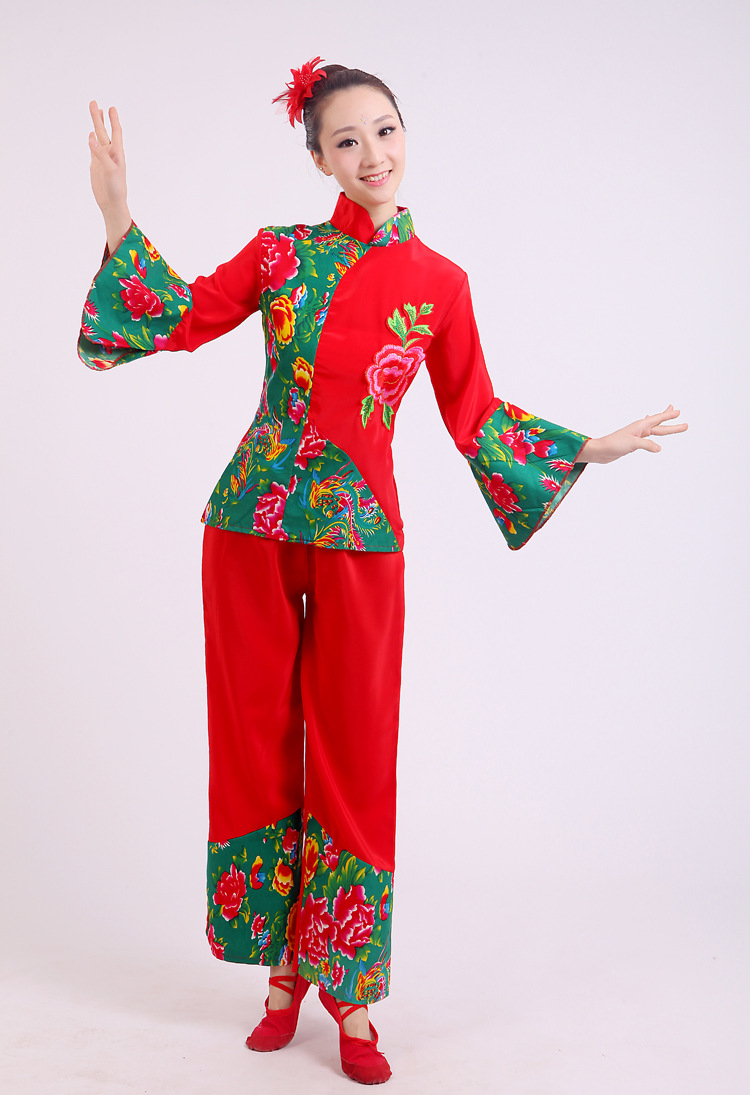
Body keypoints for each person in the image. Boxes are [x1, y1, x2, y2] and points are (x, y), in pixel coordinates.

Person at [79, 59, 687, 1086]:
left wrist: (589, 446)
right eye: (348, 140)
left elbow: (475, 416)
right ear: (319, 158)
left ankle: (349, 991)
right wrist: (116, 214)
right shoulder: (280, 253)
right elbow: (177, 316)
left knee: (355, 755)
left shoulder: (441, 284)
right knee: (257, 742)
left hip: (364, 538)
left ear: (407, 136)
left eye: (387, 131)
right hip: (250, 526)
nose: (373, 155)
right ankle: (281, 972)